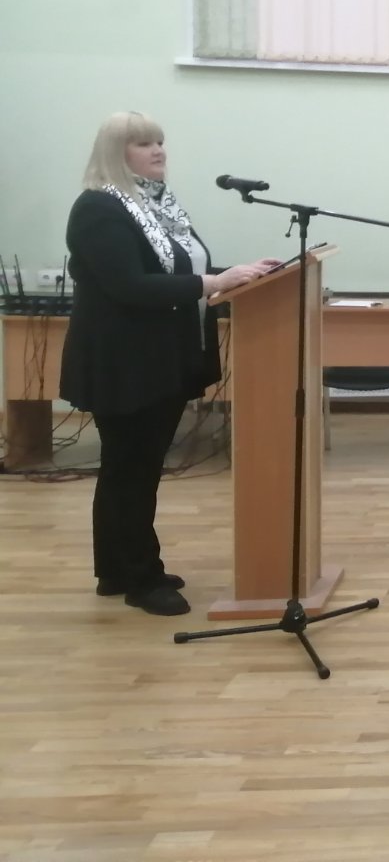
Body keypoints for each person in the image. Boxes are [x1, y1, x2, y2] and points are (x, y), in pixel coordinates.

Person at [61, 112, 276, 616]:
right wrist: (214, 282)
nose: (158, 150)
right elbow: (130, 285)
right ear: (116, 153)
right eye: (142, 144)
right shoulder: (99, 208)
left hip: (161, 358)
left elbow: (179, 270)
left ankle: (117, 570)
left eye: (159, 141)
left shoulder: (158, 206)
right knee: (131, 470)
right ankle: (141, 579)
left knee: (131, 468)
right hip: (125, 364)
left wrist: (236, 274)